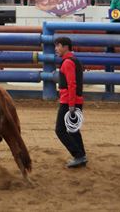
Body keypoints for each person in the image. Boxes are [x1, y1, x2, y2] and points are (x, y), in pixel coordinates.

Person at [53, 37, 87, 169]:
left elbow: (71, 84)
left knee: (60, 130)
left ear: (65, 47)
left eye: (58, 46)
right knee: (73, 130)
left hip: (69, 102)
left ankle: (78, 155)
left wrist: (71, 104)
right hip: (74, 101)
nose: (56, 48)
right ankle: (81, 156)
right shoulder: (74, 60)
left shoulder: (67, 62)